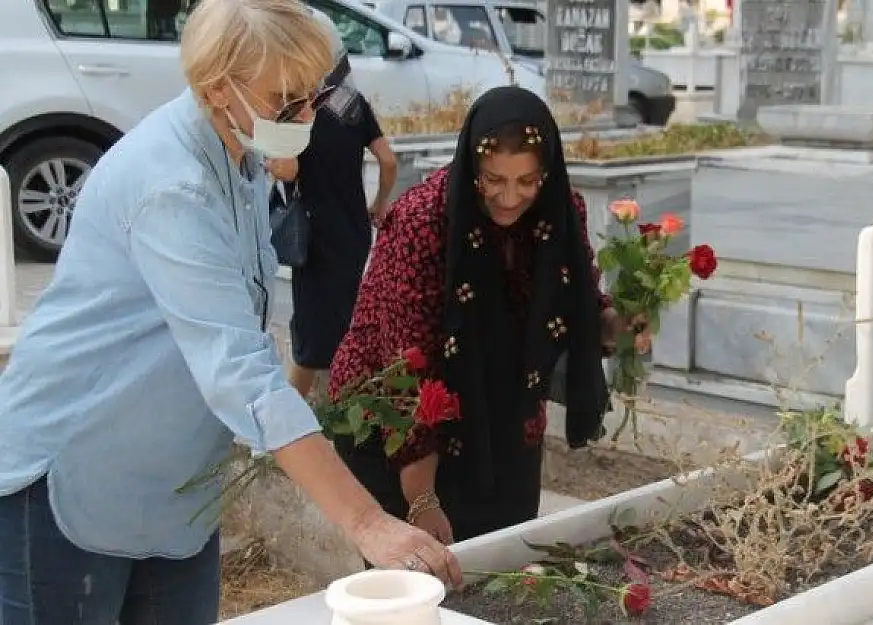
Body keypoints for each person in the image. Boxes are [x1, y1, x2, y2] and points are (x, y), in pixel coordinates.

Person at [0, 1, 459, 623]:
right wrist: (367, 521)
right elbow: (240, 370)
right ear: (218, 87)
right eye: (286, 100)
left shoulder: (239, 153)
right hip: (74, 479)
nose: (308, 116)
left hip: (175, 492)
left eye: (313, 96)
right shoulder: (171, 184)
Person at [328, 85, 652, 546]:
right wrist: (421, 498)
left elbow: (578, 302)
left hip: (502, 421)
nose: (509, 198)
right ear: (471, 166)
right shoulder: (423, 223)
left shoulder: (559, 212)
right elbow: (405, 364)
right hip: (394, 427)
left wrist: (616, 326)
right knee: (417, 589)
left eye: (527, 181)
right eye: (493, 179)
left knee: (503, 568)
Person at [267, 13, 399, 400]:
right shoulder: (353, 103)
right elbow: (388, 161)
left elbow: (289, 171)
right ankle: (343, 412)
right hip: (353, 233)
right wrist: (378, 203)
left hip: (313, 236)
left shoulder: (295, 108)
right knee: (345, 323)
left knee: (311, 338)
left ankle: (288, 423)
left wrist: (275, 160)